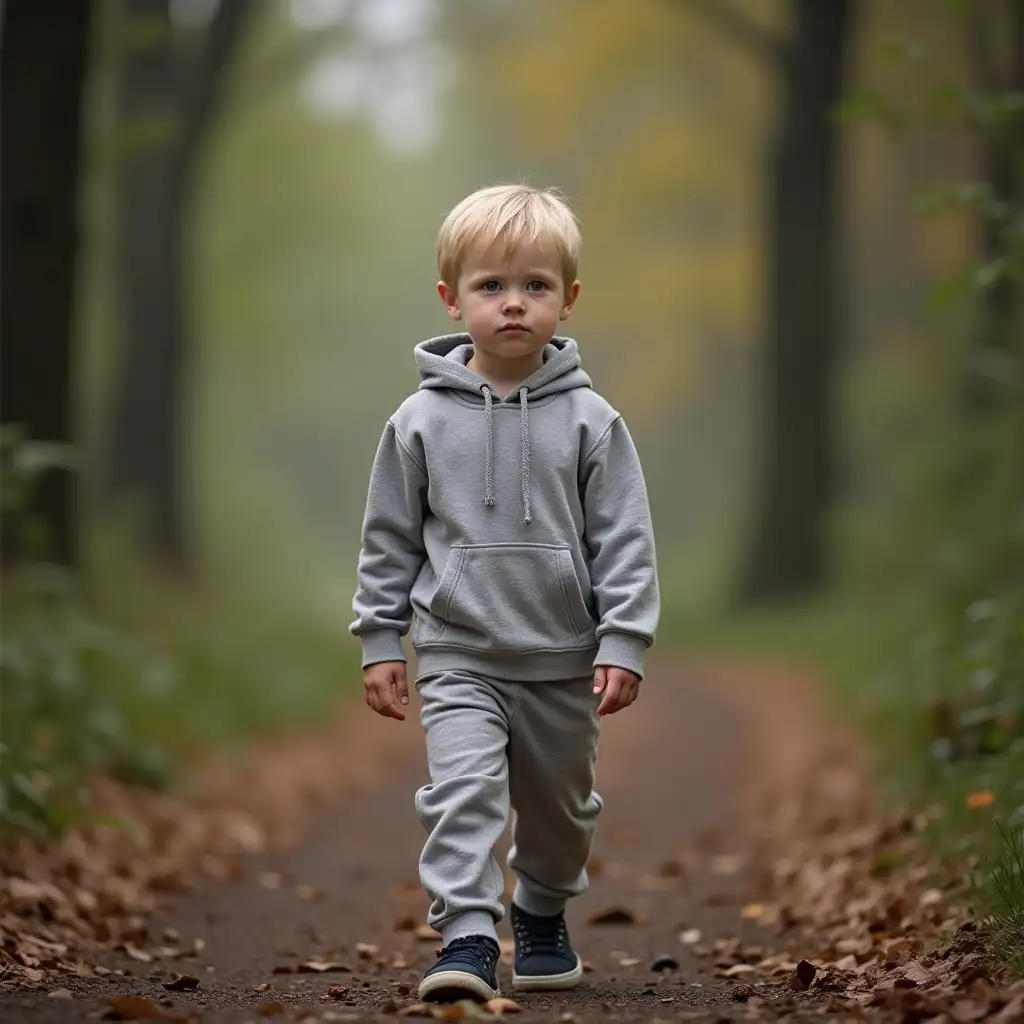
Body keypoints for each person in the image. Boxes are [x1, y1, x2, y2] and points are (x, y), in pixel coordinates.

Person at [350, 183, 660, 1004]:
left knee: (561, 812)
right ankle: (467, 937)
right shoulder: (416, 421)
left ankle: (542, 908)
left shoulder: (594, 421)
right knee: (463, 795)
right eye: (492, 286)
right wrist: (382, 639)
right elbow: (389, 539)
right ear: (453, 299)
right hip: (458, 653)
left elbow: (624, 539)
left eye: (535, 287)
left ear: (569, 299)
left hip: (562, 659)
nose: (514, 304)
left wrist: (624, 638)